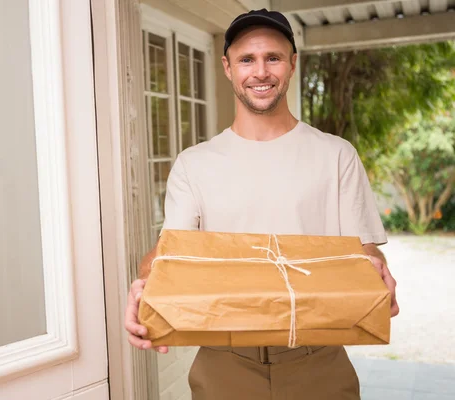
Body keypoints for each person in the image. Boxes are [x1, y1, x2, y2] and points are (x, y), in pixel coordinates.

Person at [125, 8, 399, 400]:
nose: (260, 72)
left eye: (272, 57)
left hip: (317, 359)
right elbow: (172, 257)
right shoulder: (195, 163)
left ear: (292, 64)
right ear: (227, 67)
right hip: (224, 363)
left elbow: (365, 252)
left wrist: (377, 270)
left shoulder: (336, 155)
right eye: (246, 59)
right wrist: (143, 285)